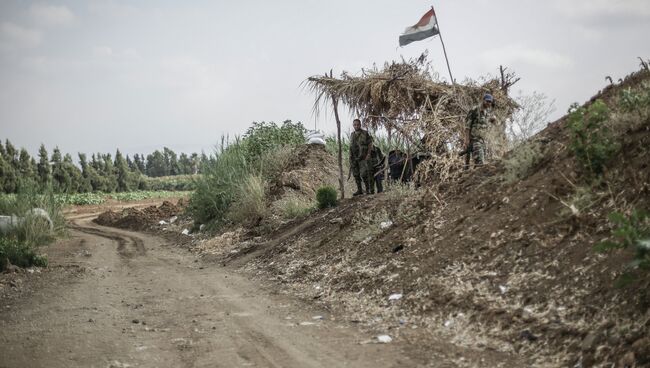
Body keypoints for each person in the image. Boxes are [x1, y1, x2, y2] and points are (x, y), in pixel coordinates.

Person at [465, 93, 497, 166]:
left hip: (483, 141)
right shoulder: (475, 110)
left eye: (490, 102)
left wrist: (492, 121)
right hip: (475, 140)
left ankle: (472, 176)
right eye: (487, 101)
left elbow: (485, 125)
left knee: (480, 164)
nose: (489, 103)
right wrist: (466, 140)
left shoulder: (487, 113)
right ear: (483, 100)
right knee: (480, 163)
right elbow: (467, 126)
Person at [349, 119, 374, 196]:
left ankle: (368, 190)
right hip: (354, 158)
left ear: (360, 125)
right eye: (355, 125)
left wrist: (368, 154)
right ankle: (359, 190)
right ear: (353, 125)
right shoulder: (352, 134)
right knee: (356, 175)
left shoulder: (365, 133)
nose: (356, 126)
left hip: (363, 157)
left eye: (358, 124)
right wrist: (350, 157)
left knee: (364, 174)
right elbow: (351, 146)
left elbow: (370, 144)